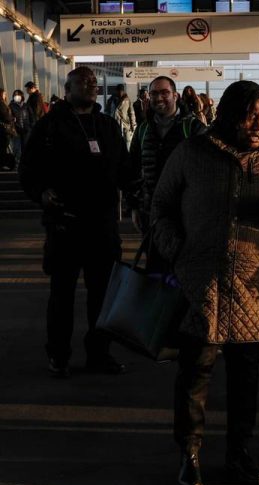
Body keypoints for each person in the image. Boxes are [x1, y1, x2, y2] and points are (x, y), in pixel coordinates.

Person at [151, 80, 259, 485]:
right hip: (201, 281)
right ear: (229, 113)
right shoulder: (193, 153)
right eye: (251, 115)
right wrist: (179, 251)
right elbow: (161, 207)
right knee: (195, 373)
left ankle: (240, 453)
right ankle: (190, 454)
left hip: (254, 285)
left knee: (246, 378)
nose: (258, 124)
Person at [19, 66, 139, 378]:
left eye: (92, 82)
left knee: (102, 296)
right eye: (81, 82)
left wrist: (140, 199)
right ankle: (58, 355)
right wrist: (41, 193)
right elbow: (28, 170)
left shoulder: (107, 126)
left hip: (102, 227)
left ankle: (99, 354)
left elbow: (125, 169)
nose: (89, 85)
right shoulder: (50, 126)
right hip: (65, 225)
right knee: (62, 295)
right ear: (67, 87)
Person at [129, 75, 207, 269]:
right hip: (152, 213)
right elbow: (132, 169)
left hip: (185, 214)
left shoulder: (194, 128)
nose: (159, 98)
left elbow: (208, 170)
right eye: (154, 93)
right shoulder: (143, 130)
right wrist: (135, 206)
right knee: (155, 267)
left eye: (164, 92)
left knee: (184, 268)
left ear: (176, 95)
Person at [113, 83, 137, 147]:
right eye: (118, 91)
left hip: (125, 124)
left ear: (123, 91)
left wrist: (133, 125)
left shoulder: (127, 100)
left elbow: (131, 113)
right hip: (115, 124)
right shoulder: (113, 100)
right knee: (117, 143)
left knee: (127, 142)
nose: (119, 93)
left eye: (121, 91)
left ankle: (127, 155)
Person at [9, 90, 30, 159]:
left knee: (25, 147)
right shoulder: (11, 105)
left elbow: (31, 116)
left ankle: (24, 162)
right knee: (17, 148)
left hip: (25, 130)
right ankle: (17, 163)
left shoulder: (26, 105)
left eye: (18, 94)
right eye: (15, 95)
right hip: (16, 130)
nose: (16, 96)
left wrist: (30, 126)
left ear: (22, 96)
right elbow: (8, 116)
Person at [0, 89, 15, 170]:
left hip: (4, 130)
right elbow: (5, 116)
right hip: (3, 130)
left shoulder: (3, 103)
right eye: (4, 94)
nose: (5, 95)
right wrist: (12, 118)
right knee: (3, 147)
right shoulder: (1, 104)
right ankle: (3, 164)